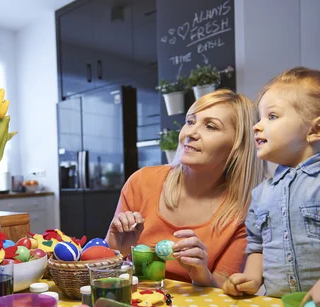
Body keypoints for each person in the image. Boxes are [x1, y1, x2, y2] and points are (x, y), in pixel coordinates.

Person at [223, 58, 320, 307]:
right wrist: (252, 277)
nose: (257, 126)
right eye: (260, 117)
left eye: (272, 116)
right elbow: (257, 248)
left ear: (316, 130)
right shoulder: (261, 194)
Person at [106, 89, 266, 287]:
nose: (190, 133)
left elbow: (225, 292)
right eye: (190, 121)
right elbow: (105, 270)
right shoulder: (141, 182)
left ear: (238, 147)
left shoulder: (244, 213)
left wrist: (201, 273)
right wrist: (117, 249)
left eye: (210, 126)